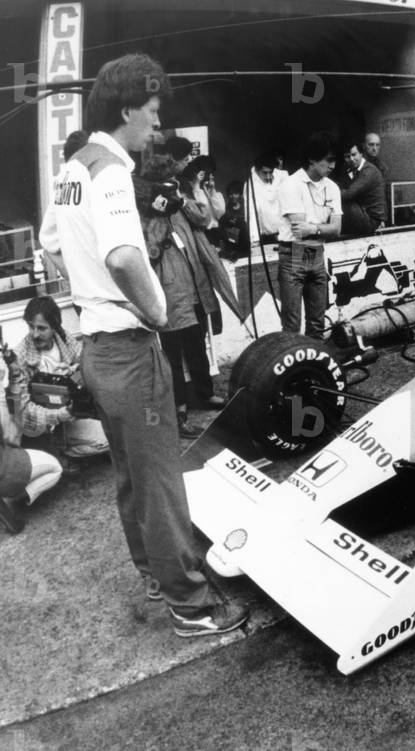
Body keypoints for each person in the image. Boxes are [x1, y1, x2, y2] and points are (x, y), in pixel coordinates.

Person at [37, 52, 247, 634]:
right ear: (128, 109)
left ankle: (155, 576)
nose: (157, 124)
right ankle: (192, 605)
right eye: (153, 112)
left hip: (96, 349)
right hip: (129, 348)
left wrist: (87, 289)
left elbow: (50, 240)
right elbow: (125, 257)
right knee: (160, 480)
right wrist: (153, 310)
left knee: (131, 476)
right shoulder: (110, 171)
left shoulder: (75, 166)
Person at [138, 153, 230, 438]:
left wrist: (181, 197)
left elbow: (204, 218)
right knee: (172, 354)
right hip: (167, 288)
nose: (172, 184)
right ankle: (179, 411)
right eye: (167, 180)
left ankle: (205, 393)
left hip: (192, 284)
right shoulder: (145, 211)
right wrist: (157, 212)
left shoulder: (178, 203)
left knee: (197, 343)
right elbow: (150, 250)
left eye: (174, 179)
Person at [12, 296, 109, 461]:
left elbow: (87, 365)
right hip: (48, 425)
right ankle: (60, 451)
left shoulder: (63, 338)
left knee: (116, 430)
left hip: (74, 411)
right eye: (31, 327)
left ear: (55, 327)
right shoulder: (19, 359)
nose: (35, 334)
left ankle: (66, 448)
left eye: (41, 328)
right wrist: (60, 414)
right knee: (105, 440)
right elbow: (24, 412)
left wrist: (72, 370)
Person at [277, 131, 342, 337]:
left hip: (317, 253)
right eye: (328, 160)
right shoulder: (291, 184)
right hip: (294, 253)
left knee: (317, 322)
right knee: (292, 325)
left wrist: (313, 228)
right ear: (312, 160)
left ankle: (316, 357)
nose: (333, 165)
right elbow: (299, 230)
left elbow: (337, 229)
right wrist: (322, 228)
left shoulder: (332, 187)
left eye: (335, 160)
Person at [0, 351, 63, 535]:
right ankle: (12, 502)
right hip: (4, 468)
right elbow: (13, 430)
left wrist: (13, 373)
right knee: (55, 468)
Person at [337, 137, 386, 236]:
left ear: (361, 154)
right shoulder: (347, 169)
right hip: (359, 213)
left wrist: (327, 194)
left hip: (371, 219)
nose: (351, 159)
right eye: (347, 156)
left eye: (354, 155)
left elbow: (349, 194)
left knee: (343, 204)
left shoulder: (369, 171)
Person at [247, 151, 288, 244]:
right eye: (265, 173)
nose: (269, 176)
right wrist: (254, 240)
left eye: (271, 172)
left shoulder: (281, 177)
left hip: (285, 234)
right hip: (267, 237)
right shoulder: (251, 185)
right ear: (257, 170)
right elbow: (251, 213)